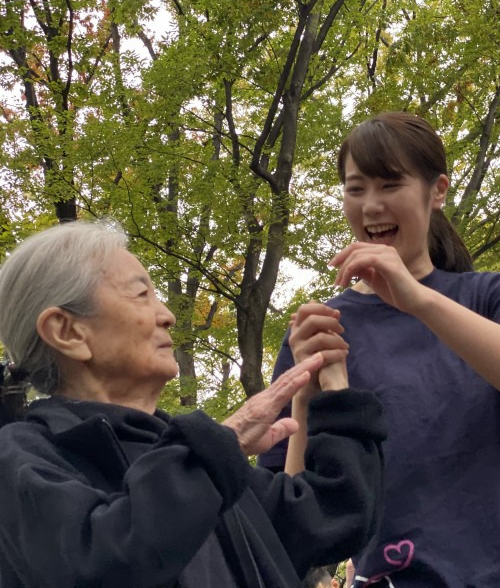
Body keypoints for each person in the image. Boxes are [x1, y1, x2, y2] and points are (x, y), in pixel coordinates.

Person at [260, 112, 500, 586]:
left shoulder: (489, 294)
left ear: (437, 191)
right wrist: (303, 392)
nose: (371, 205)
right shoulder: (320, 331)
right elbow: (292, 512)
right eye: (356, 189)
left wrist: (417, 299)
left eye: (389, 184)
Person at [0, 221, 386, 588]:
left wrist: (330, 387)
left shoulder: (192, 462)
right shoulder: (22, 457)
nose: (167, 315)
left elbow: (332, 517)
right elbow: (100, 562)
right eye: (140, 294)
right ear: (68, 332)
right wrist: (221, 446)